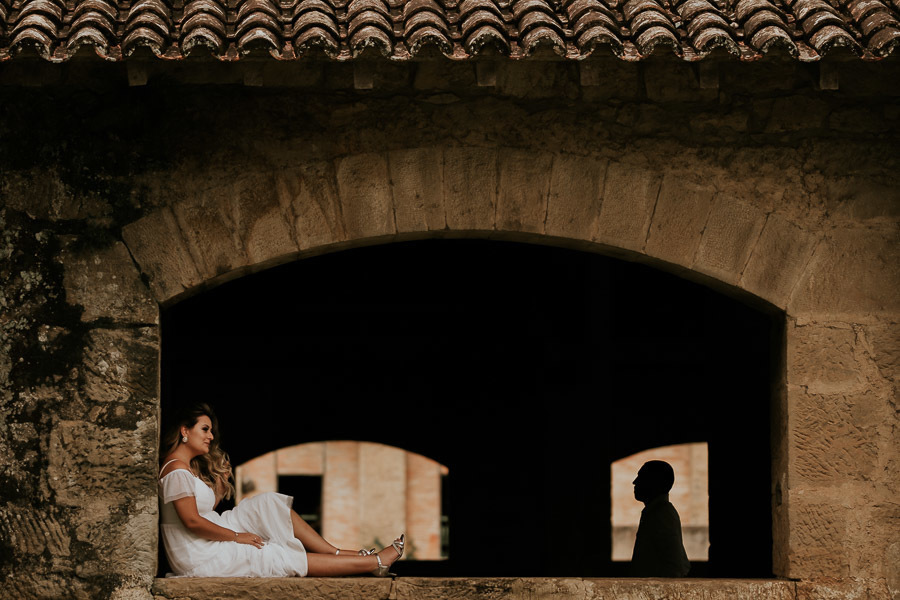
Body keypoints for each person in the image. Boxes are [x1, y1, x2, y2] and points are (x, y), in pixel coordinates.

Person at [158, 403, 404, 577]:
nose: (211, 436)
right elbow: (191, 521)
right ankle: (374, 561)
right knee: (273, 554)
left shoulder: (182, 469)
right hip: (197, 554)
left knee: (268, 504)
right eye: (205, 429)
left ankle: (337, 552)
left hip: (207, 533)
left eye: (210, 430)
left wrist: (220, 488)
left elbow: (200, 512)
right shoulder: (176, 471)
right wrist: (237, 537)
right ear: (184, 430)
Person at [629, 460, 691, 577]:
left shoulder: (662, 514)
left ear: (654, 482)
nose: (635, 482)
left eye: (641, 477)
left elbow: (674, 565)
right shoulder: (657, 512)